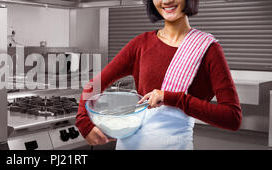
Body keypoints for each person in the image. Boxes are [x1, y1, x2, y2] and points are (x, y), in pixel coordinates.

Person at [75, 0, 242, 150]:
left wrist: (172, 98)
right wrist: (84, 123)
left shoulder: (208, 49)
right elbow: (93, 85)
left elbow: (232, 117)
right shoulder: (141, 44)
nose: (167, 1)